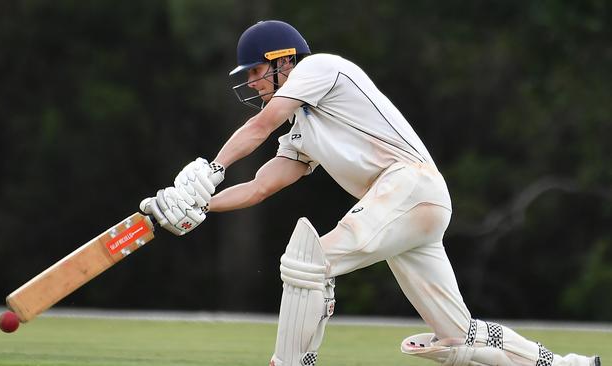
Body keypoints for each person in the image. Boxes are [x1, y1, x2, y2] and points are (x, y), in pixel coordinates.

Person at [140, 20, 601, 366]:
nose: (254, 82)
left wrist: (213, 168)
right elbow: (263, 185)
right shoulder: (301, 128)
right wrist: (202, 203)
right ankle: (563, 365)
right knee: (457, 336)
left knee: (308, 263)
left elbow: (261, 126)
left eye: (259, 71)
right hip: (411, 207)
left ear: (285, 61)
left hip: (409, 186)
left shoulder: (321, 69)